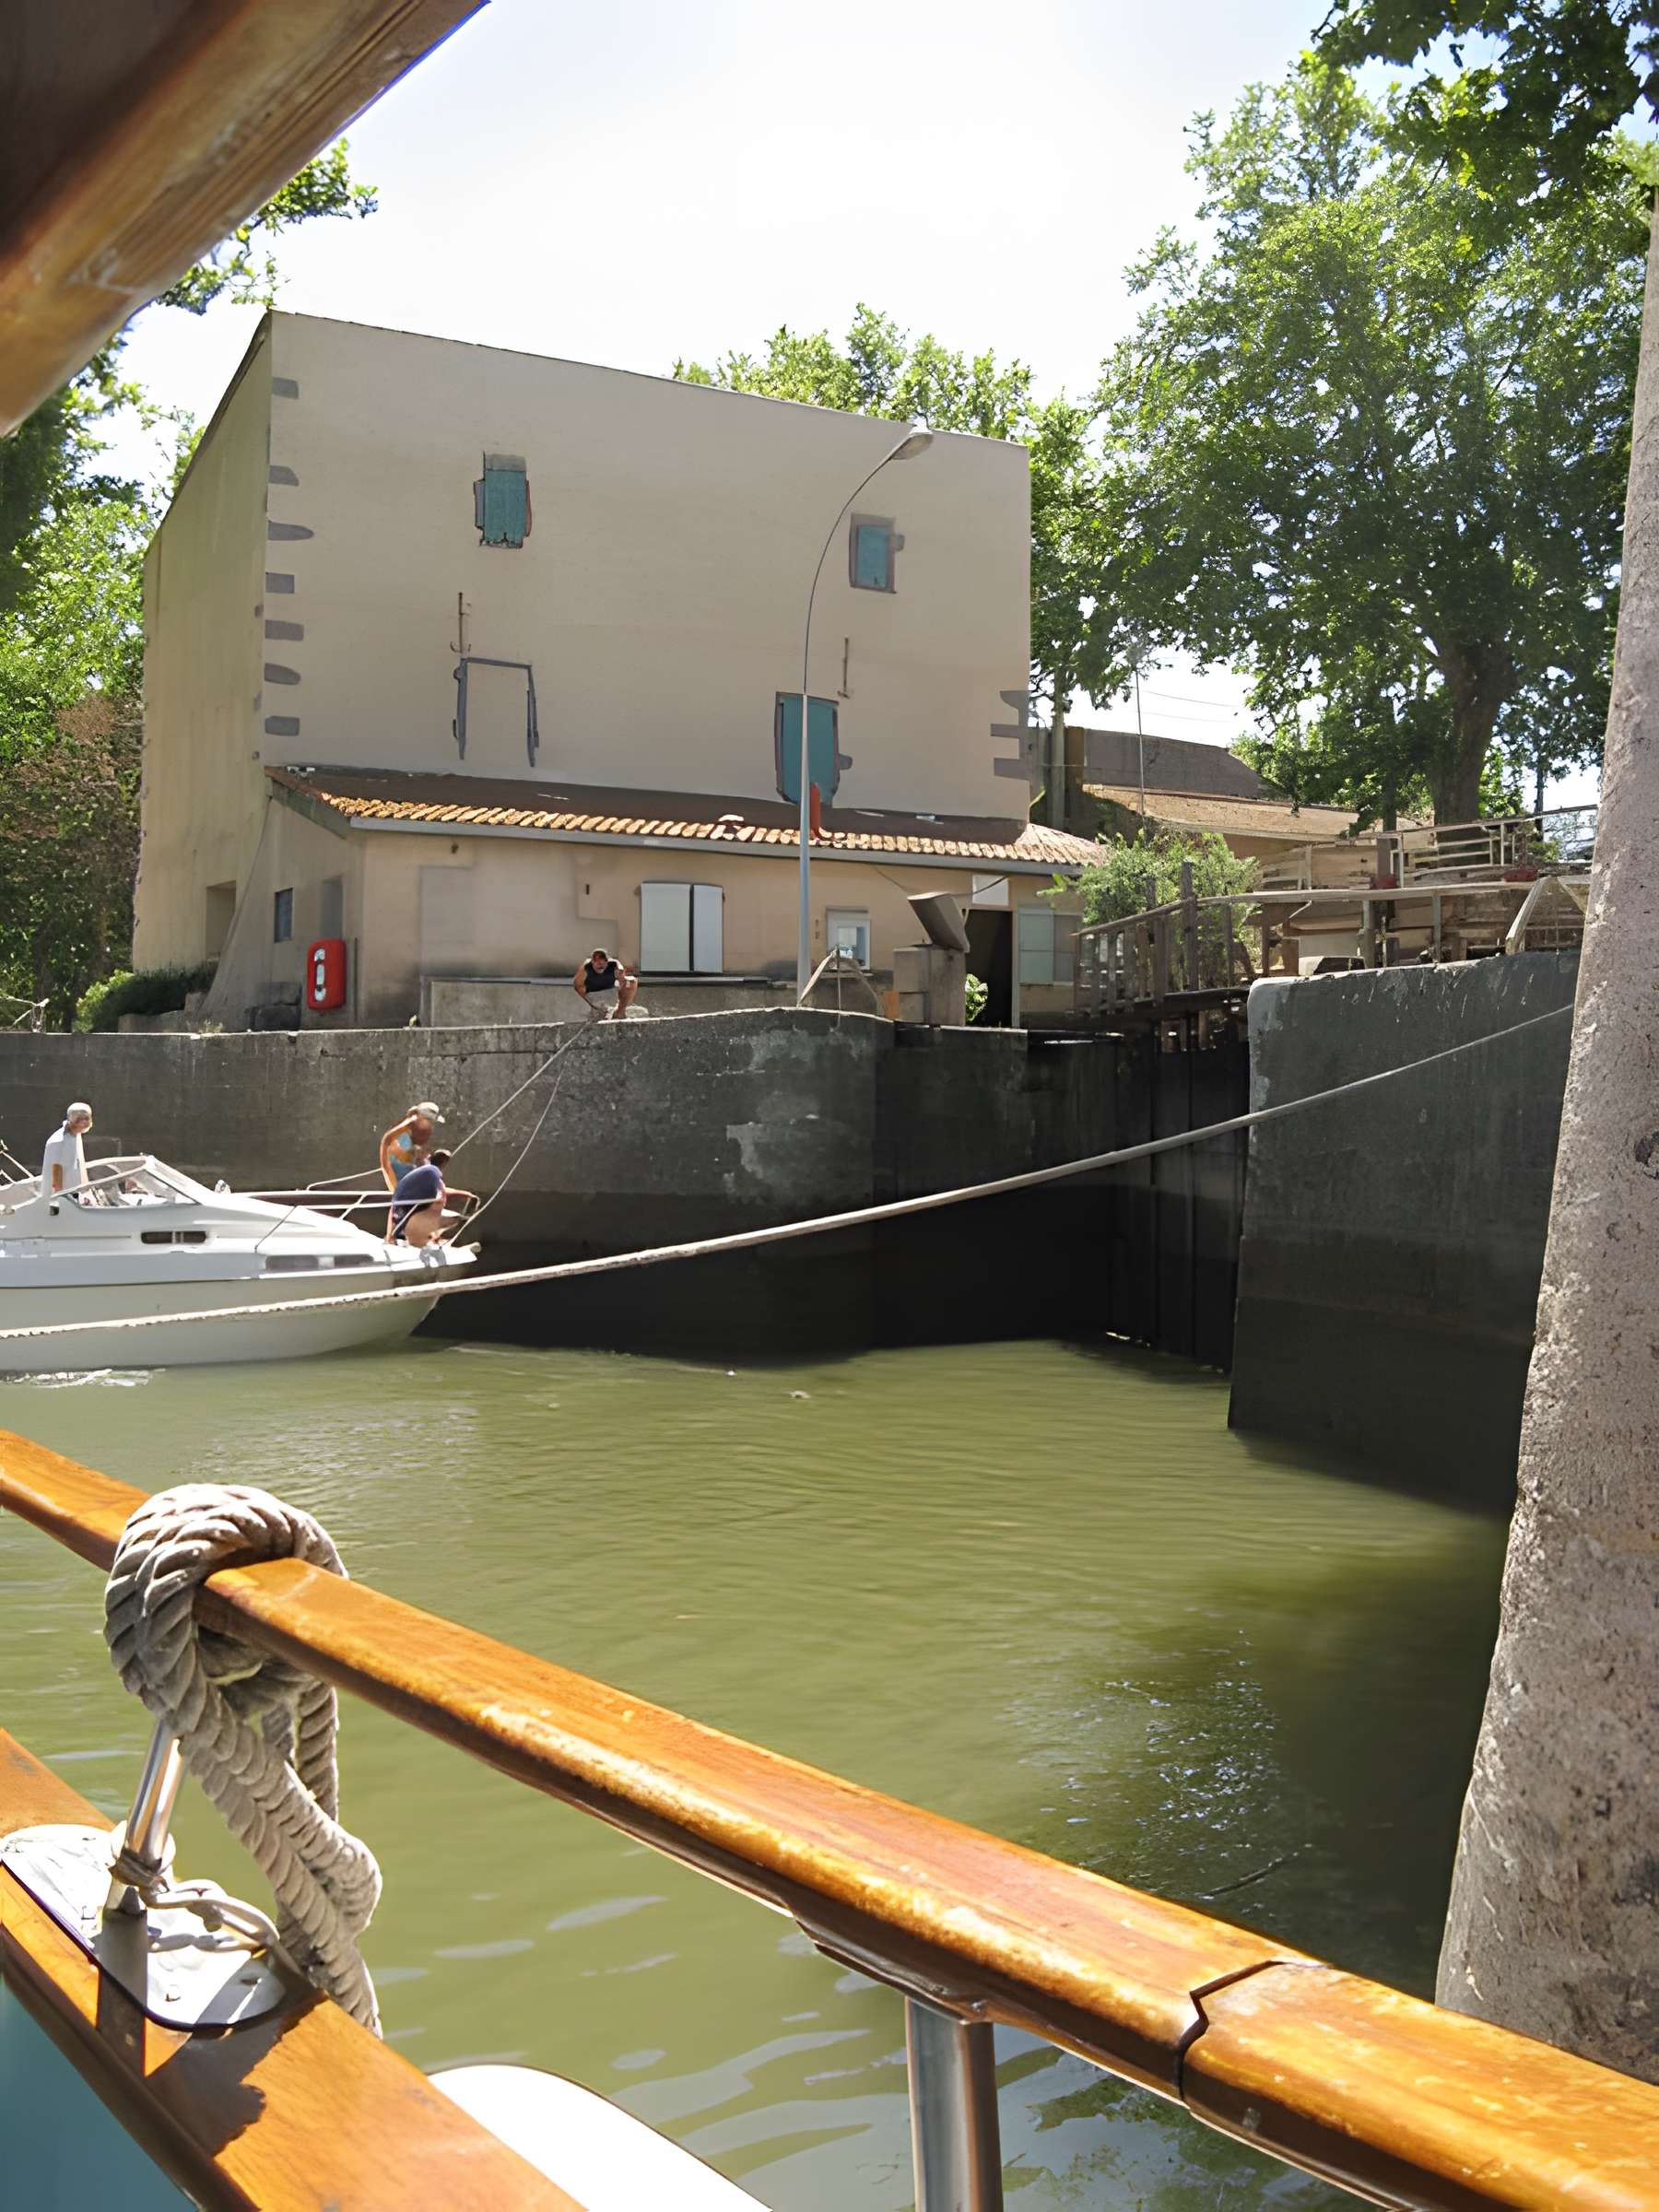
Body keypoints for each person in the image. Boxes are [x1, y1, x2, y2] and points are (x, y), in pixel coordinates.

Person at [389, 1148, 472, 1248]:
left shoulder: (425, 1171)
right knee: (458, 1219)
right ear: (445, 1163)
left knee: (441, 1210)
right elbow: (441, 1192)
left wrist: (464, 1194)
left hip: (400, 1206)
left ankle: (431, 1238)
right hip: (413, 1209)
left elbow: (441, 1189)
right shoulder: (434, 1172)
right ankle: (434, 1239)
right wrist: (465, 1195)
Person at [380, 1101, 442, 1191]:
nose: (431, 1126)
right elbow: (388, 1147)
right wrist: (417, 1157)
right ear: (419, 1118)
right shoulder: (402, 1135)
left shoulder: (413, 1136)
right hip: (401, 1185)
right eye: (429, 1121)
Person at [41, 1101, 92, 1200]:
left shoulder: (76, 1135)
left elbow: (79, 1165)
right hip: (60, 1203)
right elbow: (55, 1175)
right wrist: (60, 1204)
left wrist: (85, 1192)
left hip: (74, 1197)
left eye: (88, 1118)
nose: (86, 1122)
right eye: (82, 1119)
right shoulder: (58, 1142)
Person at [573, 947, 637, 1022]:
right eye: (598, 963)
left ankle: (620, 1012)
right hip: (593, 994)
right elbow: (577, 985)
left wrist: (622, 978)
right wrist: (591, 1003)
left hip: (610, 991)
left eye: (604, 963)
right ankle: (601, 1011)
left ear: (607, 961)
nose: (601, 965)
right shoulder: (586, 967)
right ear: (592, 962)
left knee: (631, 981)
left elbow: (621, 973)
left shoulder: (613, 964)